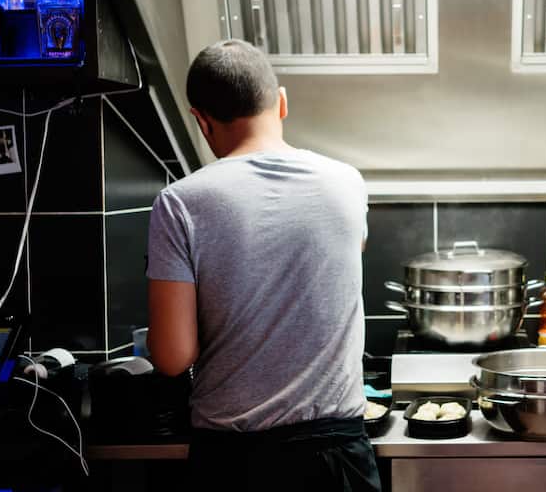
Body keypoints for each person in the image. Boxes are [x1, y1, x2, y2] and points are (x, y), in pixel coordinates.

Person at [145, 39, 380, 492]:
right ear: (282, 102)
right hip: (336, 458)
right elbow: (348, 257)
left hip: (234, 463)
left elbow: (173, 358)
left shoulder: (180, 203)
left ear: (201, 121)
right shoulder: (347, 182)